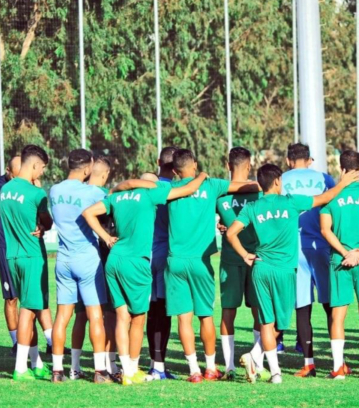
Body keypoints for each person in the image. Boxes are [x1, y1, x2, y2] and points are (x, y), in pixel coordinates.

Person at [226, 164, 359, 384]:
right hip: (285, 270)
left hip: (261, 268)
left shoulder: (253, 207)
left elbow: (231, 233)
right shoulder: (291, 202)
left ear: (261, 184)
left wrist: (245, 255)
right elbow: (324, 198)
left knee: (267, 322)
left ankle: (269, 368)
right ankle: (263, 363)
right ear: (278, 181)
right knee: (280, 323)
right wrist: (343, 183)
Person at [84, 171, 208, 385]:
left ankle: (125, 371)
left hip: (114, 259)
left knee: (122, 316)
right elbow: (189, 189)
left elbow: (88, 213)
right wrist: (202, 175)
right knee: (138, 318)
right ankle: (132, 370)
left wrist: (106, 237)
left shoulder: (117, 197)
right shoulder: (151, 194)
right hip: (136, 262)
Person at [165, 148, 259, 383]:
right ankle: (210, 368)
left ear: (175, 171)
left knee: (183, 318)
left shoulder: (168, 189)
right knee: (205, 316)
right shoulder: (212, 186)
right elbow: (245, 187)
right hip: (200, 261)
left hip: (175, 261)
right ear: (195, 164)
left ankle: (193, 371)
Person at [0, 156, 55, 355]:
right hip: (8, 249)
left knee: (36, 299)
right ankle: (17, 346)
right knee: (14, 299)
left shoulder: (26, 189)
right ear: (9, 172)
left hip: (24, 250)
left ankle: (49, 343)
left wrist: (41, 225)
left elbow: (41, 219)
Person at [48, 149, 111, 383]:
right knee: (95, 316)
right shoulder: (93, 192)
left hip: (63, 259)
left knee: (62, 316)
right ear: (87, 169)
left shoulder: (54, 190)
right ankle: (100, 371)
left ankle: (57, 371)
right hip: (86, 260)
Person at [319, 150, 359, 379]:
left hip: (339, 260)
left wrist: (346, 253)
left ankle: (338, 369)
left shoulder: (330, 196)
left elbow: (325, 230)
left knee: (338, 316)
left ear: (341, 168)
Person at [0, 145, 54, 380]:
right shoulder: (36, 193)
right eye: (42, 168)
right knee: (29, 311)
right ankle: (20, 368)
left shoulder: (5, 190)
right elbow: (47, 222)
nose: (42, 172)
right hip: (32, 256)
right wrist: (42, 225)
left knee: (28, 306)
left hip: (12, 256)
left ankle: (36, 363)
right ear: (34, 165)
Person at [281, 143, 335, 376]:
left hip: (295, 248)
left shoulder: (281, 180)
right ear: (309, 160)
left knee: (303, 305)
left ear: (288, 160)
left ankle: (308, 363)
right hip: (322, 245)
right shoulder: (325, 179)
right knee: (331, 305)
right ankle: (338, 362)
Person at [216, 147, 264, 381]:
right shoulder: (260, 192)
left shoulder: (220, 195)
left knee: (228, 311)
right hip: (257, 258)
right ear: (250, 165)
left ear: (228, 165)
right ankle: (258, 363)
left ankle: (229, 367)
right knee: (259, 311)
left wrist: (222, 223)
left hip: (230, 258)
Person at [147, 146, 179, 380]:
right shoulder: (177, 191)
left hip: (144, 255)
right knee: (163, 312)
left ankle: (150, 364)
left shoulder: (146, 188)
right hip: (166, 256)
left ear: (158, 162)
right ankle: (159, 366)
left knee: (148, 312)